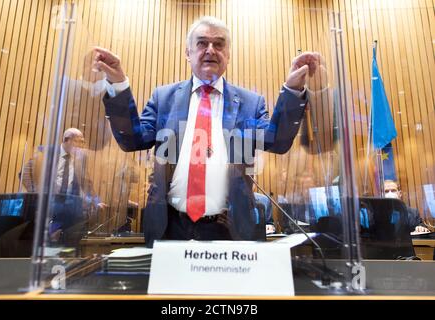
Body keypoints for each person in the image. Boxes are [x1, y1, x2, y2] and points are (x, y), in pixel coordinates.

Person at [94, 16, 324, 247]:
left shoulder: (249, 103)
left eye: (219, 44)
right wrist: (118, 84)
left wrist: (293, 89)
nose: (210, 50)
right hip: (170, 227)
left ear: (228, 55)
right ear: (188, 53)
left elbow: (278, 141)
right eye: (202, 43)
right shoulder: (164, 98)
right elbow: (132, 140)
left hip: (229, 228)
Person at [20, 128, 106, 244]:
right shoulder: (47, 152)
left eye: (82, 142)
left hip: (69, 206)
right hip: (49, 204)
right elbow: (25, 173)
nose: (81, 145)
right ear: (67, 140)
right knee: (43, 240)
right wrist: (36, 193)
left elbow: (87, 182)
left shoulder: (80, 159)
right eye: (78, 141)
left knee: (69, 241)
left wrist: (96, 201)